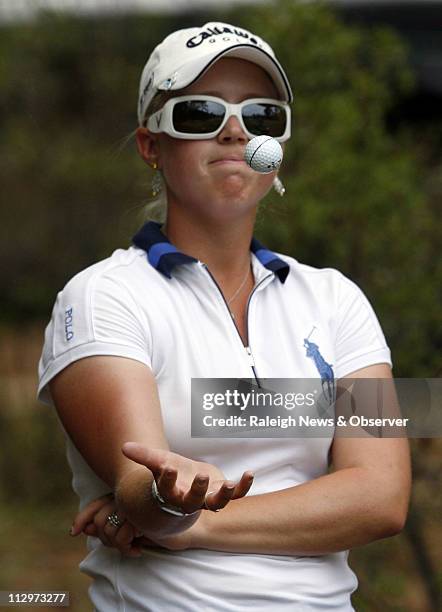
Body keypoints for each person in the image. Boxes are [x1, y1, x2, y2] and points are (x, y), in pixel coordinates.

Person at [37, 21, 411, 611]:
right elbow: (141, 486)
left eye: (261, 116)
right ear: (151, 145)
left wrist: (195, 526)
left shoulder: (338, 299)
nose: (236, 130)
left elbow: (384, 496)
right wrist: (155, 508)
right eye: (199, 113)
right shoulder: (101, 297)